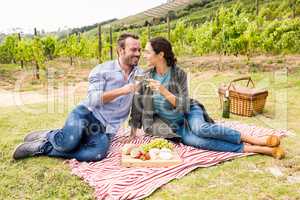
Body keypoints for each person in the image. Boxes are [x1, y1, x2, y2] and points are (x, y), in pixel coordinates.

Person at [129, 37, 285, 159]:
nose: (144, 55)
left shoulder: (178, 74)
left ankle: (258, 140)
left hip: (189, 111)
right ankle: (259, 149)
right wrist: (133, 131)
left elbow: (183, 106)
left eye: (148, 51)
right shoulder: (146, 76)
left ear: (160, 54)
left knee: (201, 128)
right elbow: (137, 102)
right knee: (197, 142)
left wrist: (163, 90)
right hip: (173, 125)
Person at [13, 33, 143, 162]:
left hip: (107, 129)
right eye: (133, 49)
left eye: (139, 50)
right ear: (121, 50)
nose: (138, 53)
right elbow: (93, 99)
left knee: (96, 154)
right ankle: (49, 136)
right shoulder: (102, 70)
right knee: (68, 144)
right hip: (86, 115)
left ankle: (45, 146)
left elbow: (138, 103)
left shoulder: (140, 74)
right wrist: (122, 90)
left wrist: (133, 132)